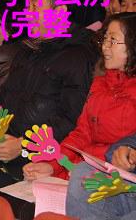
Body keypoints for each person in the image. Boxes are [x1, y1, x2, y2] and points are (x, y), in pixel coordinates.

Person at [0, 0, 99, 217]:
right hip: (0, 153)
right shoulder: (28, 49)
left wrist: (22, 144)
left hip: (36, 162)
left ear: (60, 11)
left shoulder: (78, 57)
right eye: (27, 6)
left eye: (34, 6)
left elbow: (70, 120)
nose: (27, 12)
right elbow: (3, 99)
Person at [23, 13, 136, 220]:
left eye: (113, 40)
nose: (105, 47)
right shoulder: (100, 83)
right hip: (84, 171)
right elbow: (82, 134)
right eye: (104, 39)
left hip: (117, 181)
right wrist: (53, 165)